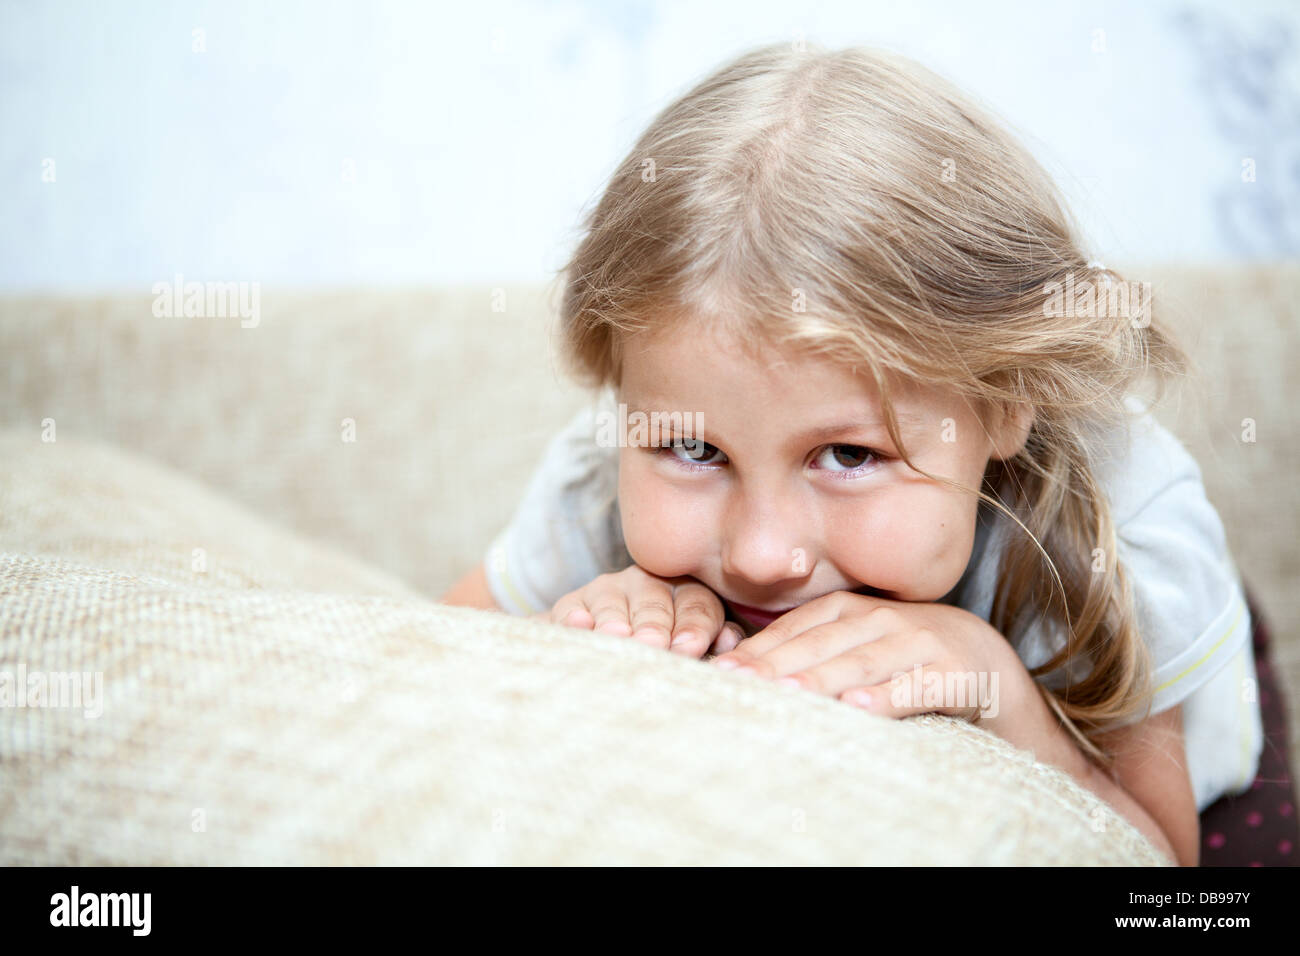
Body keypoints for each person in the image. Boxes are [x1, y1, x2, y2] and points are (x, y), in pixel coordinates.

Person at [442, 42, 1262, 867]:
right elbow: (430, 663)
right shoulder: (597, 481)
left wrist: (1000, 688)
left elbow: (1165, 871)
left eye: (847, 455)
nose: (764, 556)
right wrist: (565, 643)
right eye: (694, 449)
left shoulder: (1127, 526)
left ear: (1009, 402)